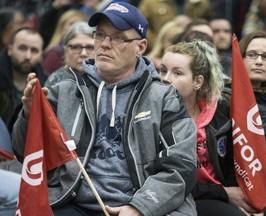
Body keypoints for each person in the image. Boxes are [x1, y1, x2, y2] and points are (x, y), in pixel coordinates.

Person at [12, 2, 198, 216]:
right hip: (73, 203)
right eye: (100, 35)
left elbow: (180, 166)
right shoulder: (64, 91)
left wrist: (139, 208)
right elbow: (24, 152)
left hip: (146, 205)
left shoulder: (164, 97)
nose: (105, 44)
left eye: (118, 38)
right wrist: (28, 116)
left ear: (141, 47)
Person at [160, 40, 266, 216]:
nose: (166, 79)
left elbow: (232, 163)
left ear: (198, 82)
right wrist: (225, 194)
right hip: (188, 195)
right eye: (163, 70)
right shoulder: (158, 116)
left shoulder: (220, 110)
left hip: (222, 191)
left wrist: (244, 197)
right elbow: (171, 182)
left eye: (177, 73)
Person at [227, 30, 266, 212]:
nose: (259, 61)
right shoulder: (226, 100)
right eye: (252, 55)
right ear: (239, 57)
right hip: (258, 185)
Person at [0, 27, 46, 134]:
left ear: (41, 55)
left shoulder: (47, 83)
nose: (28, 56)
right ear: (10, 49)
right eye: (22, 48)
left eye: (34, 50)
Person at [138, 0, 213, 52]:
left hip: (193, 45)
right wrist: (156, 42)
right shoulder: (150, 3)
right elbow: (140, 24)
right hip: (163, 46)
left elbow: (208, 18)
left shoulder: (199, 2)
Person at [45, 21, 95, 88]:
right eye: (76, 47)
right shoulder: (55, 81)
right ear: (66, 50)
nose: (83, 54)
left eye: (90, 47)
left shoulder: (105, 79)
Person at [42, 9, 88, 75]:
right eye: (72, 24)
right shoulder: (54, 54)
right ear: (62, 28)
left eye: (80, 25)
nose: (76, 28)